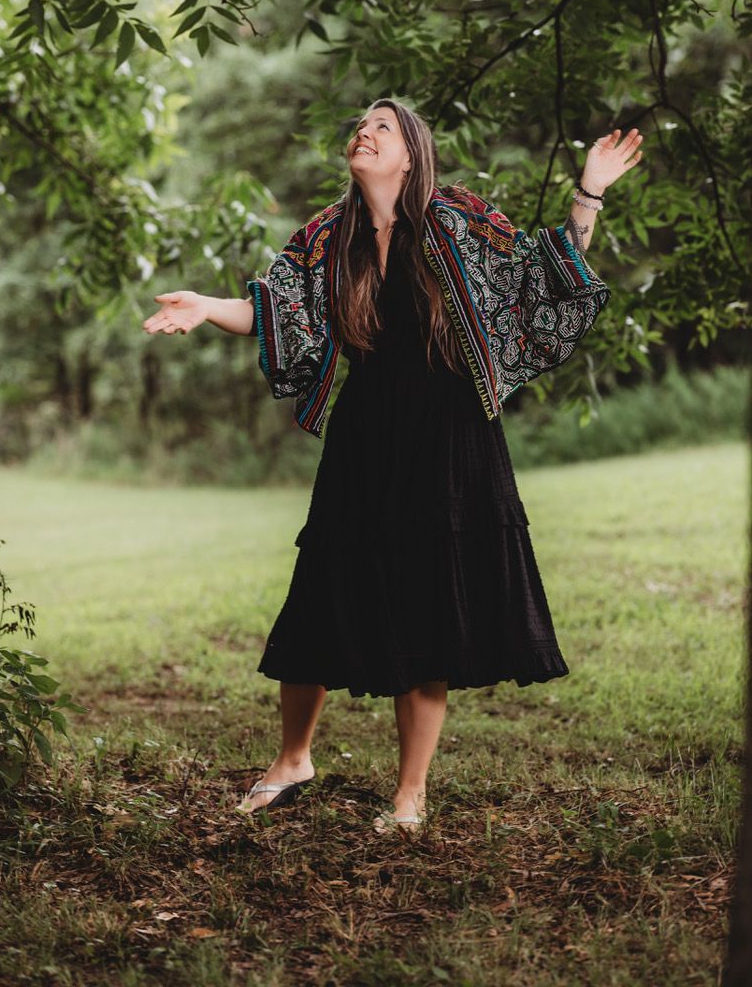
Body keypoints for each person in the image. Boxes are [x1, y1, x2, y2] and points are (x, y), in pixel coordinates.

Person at [142, 99, 644, 834]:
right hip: (366, 429)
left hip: (450, 430)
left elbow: (544, 274)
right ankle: (292, 760)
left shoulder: (459, 220)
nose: (364, 132)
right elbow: (279, 310)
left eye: (382, 126)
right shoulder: (326, 236)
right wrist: (205, 305)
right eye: (360, 125)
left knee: (428, 600)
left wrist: (588, 190)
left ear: (411, 152)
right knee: (322, 583)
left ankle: (410, 795)